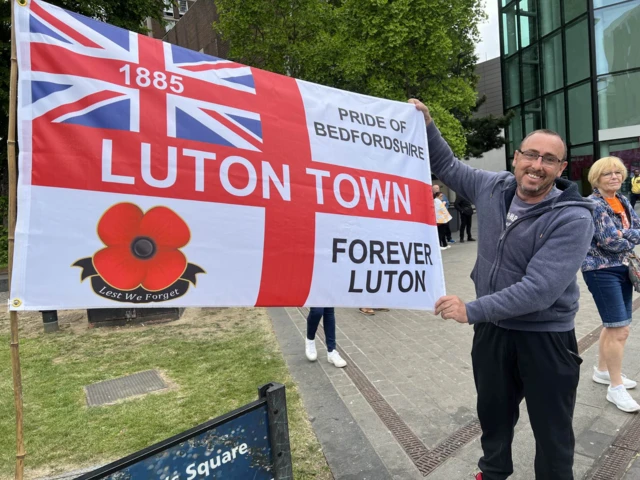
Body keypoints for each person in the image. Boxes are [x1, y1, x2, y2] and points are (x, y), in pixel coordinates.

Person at [410, 99, 594, 480]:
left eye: (549, 160)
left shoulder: (573, 217)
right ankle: (492, 473)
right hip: (494, 332)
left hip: (546, 337)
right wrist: (426, 125)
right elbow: (446, 165)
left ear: (561, 169)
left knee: (552, 430)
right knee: (493, 415)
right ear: (515, 158)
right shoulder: (492, 187)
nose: (537, 165)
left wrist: (471, 310)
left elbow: (539, 290)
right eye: (531, 154)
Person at [582, 157, 640, 413]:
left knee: (614, 324)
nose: (614, 177)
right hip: (600, 271)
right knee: (620, 329)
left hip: (622, 267)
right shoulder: (594, 204)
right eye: (607, 174)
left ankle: (603, 372)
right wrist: (627, 238)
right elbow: (609, 242)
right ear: (596, 178)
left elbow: (636, 229)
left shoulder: (623, 200)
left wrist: (624, 236)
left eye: (618, 172)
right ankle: (615, 388)